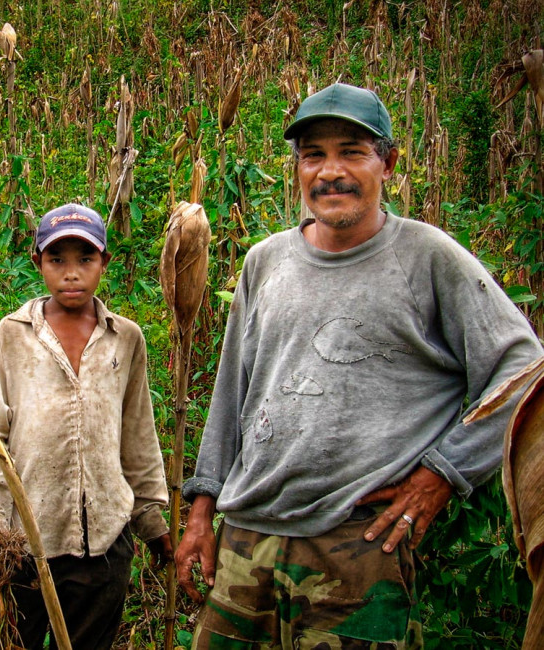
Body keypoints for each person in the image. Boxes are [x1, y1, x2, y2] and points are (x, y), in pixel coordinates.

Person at [174, 83, 544, 649]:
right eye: (313, 155)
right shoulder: (265, 261)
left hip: (357, 548)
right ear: (297, 167)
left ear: (388, 163)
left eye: (352, 151)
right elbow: (233, 393)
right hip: (246, 538)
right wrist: (202, 507)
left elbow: (522, 367)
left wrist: (444, 473)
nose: (331, 172)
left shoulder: (426, 258)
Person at [0, 203, 173, 649]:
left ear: (105, 263)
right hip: (24, 543)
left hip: (104, 543)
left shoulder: (126, 338)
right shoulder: (11, 336)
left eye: (85, 259)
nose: (71, 273)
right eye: (57, 260)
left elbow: (137, 435)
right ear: (37, 262)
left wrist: (153, 525)